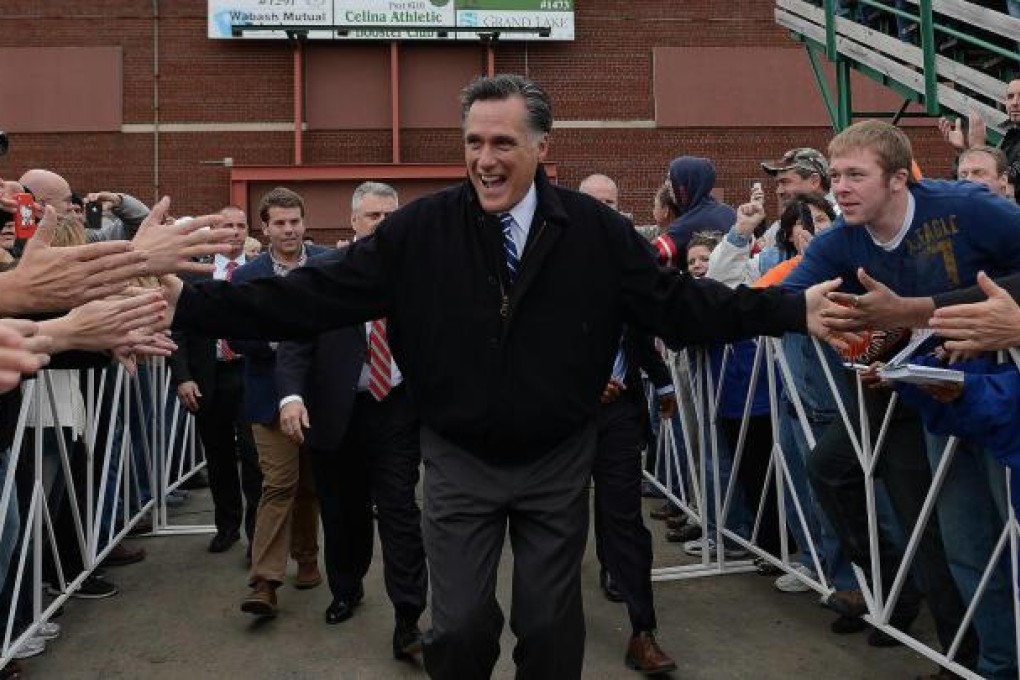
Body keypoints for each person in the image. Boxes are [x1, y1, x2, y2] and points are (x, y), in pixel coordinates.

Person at [161, 74, 840, 680]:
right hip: (458, 461)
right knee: (457, 630)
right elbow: (311, 294)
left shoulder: (595, 233)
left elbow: (682, 304)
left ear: (542, 148)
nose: (485, 160)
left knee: (547, 629)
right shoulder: (422, 232)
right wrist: (188, 302)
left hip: (555, 459)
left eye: (503, 143)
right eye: (473, 142)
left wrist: (791, 308)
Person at [783, 120, 1018, 678]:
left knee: (1011, 533)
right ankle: (995, 664)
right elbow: (790, 299)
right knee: (965, 541)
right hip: (942, 398)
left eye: (855, 175)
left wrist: (916, 310)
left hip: (1007, 385)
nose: (840, 187)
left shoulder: (966, 208)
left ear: (897, 180)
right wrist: (837, 326)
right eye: (835, 175)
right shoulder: (842, 238)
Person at [276, 182, 428, 661]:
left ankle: (408, 618)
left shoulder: (421, 275)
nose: (382, 225)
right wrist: (292, 398)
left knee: (400, 510)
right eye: (373, 217)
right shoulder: (326, 272)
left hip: (397, 409)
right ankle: (346, 587)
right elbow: (296, 342)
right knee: (344, 513)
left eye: (390, 216)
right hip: (338, 410)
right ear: (354, 222)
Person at [578, 174, 678, 674]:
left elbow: (640, 329)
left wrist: (662, 382)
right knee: (560, 517)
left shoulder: (631, 260)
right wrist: (582, 381)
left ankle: (643, 630)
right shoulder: (551, 258)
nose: (607, 212)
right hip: (564, 415)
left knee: (624, 515)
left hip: (620, 412)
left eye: (613, 204)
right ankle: (554, 620)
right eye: (596, 203)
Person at [233, 187, 327, 618]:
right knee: (278, 483)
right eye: (280, 223)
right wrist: (279, 343)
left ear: (304, 223)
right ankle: (264, 580)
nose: (289, 230)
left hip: (324, 395)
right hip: (269, 395)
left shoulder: (329, 263)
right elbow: (234, 335)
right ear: (265, 227)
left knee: (310, 484)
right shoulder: (247, 275)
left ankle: (307, 557)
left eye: (295, 222)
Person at [169, 206, 262, 555]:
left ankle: (258, 535)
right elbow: (178, 328)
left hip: (250, 371)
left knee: (254, 459)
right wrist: (183, 377)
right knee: (219, 455)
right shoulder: (196, 273)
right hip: (210, 375)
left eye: (241, 226)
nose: (235, 232)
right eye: (227, 226)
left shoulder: (259, 272)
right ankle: (227, 526)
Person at [650, 156, 736, 270]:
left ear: (686, 184)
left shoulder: (685, 225)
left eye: (672, 180)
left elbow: (650, 255)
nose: (668, 185)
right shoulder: (728, 212)